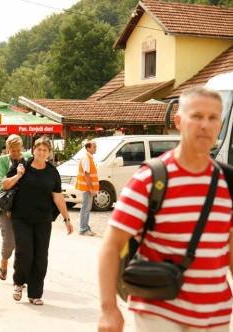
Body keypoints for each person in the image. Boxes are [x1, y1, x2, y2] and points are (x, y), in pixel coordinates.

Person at [98, 87, 233, 332]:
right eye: (197, 116)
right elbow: (112, 243)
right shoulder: (151, 178)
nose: (205, 124)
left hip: (216, 315)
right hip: (159, 312)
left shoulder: (228, 181)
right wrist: (109, 308)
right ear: (179, 121)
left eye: (213, 118)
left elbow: (230, 246)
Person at [3, 136, 73, 305]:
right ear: (33, 150)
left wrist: (67, 219)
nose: (41, 153)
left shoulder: (52, 172)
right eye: (38, 149)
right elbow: (5, 185)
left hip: (43, 219)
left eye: (45, 150)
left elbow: (58, 197)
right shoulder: (22, 166)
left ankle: (35, 293)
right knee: (25, 252)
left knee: (41, 256)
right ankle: (19, 283)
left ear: (49, 153)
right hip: (21, 218)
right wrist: (18, 176)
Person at [0, 134, 32, 281]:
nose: (16, 153)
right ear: (7, 149)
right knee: (9, 240)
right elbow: (4, 184)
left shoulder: (28, 157)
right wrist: (17, 176)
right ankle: (4, 262)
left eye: (18, 150)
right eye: (13, 150)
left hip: (23, 205)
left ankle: (19, 276)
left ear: (22, 147)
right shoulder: (3, 160)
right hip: (5, 204)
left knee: (23, 243)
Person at [76, 140, 98, 236]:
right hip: (87, 188)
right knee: (86, 208)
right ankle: (83, 229)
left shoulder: (89, 158)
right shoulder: (86, 158)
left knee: (87, 208)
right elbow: (87, 175)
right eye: (94, 146)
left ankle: (85, 227)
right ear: (88, 148)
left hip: (87, 188)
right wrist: (91, 189)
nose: (95, 148)